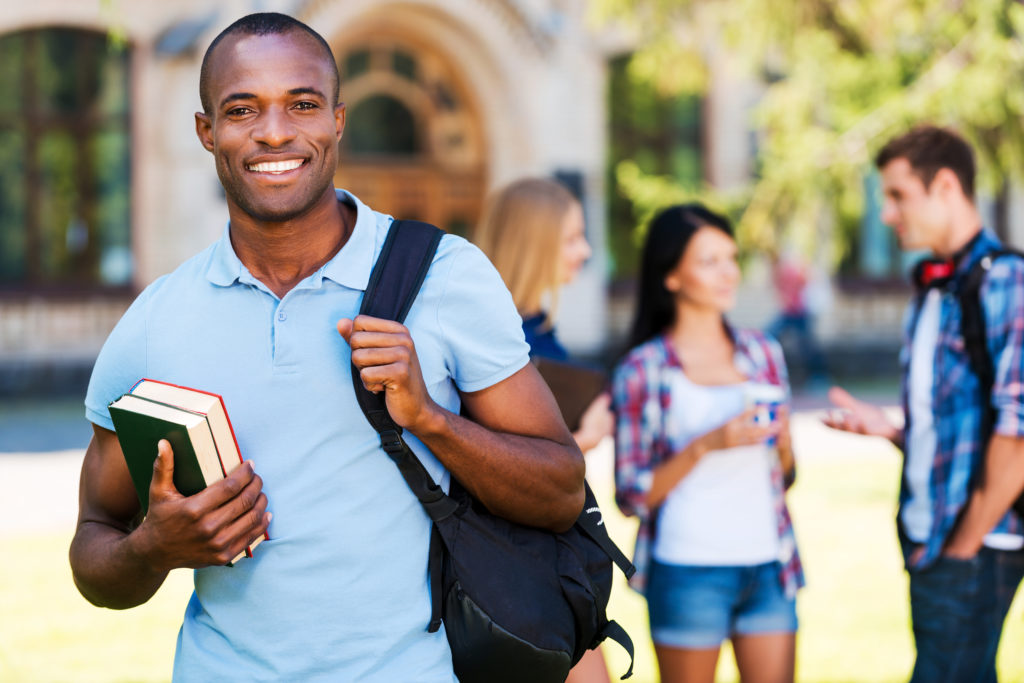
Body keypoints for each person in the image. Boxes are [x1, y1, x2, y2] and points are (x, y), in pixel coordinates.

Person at [68, 13, 584, 682]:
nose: (276, 131)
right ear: (206, 131)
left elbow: (561, 490)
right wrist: (153, 546)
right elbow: (92, 549)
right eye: (242, 109)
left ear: (338, 120)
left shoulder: (447, 275)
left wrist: (430, 417)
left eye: (302, 105)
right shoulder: (154, 321)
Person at [824, 125, 1024, 682]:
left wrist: (964, 545)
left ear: (945, 187)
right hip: (929, 535)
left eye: (897, 195)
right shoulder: (931, 288)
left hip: (976, 542)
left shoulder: (1006, 281)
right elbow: (958, 424)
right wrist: (890, 429)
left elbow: (1019, 431)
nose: (887, 214)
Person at [612, 204, 803, 683]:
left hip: (769, 565)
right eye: (709, 261)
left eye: (731, 258)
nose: (728, 273)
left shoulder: (763, 352)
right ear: (671, 276)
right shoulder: (642, 369)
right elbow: (632, 496)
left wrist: (781, 442)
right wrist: (707, 444)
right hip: (688, 570)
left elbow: (787, 475)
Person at [474, 177, 614, 682]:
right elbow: (485, 464)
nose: (585, 250)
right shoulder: (492, 341)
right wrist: (585, 440)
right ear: (536, 241)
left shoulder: (540, 328)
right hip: (516, 562)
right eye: (573, 237)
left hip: (557, 546)